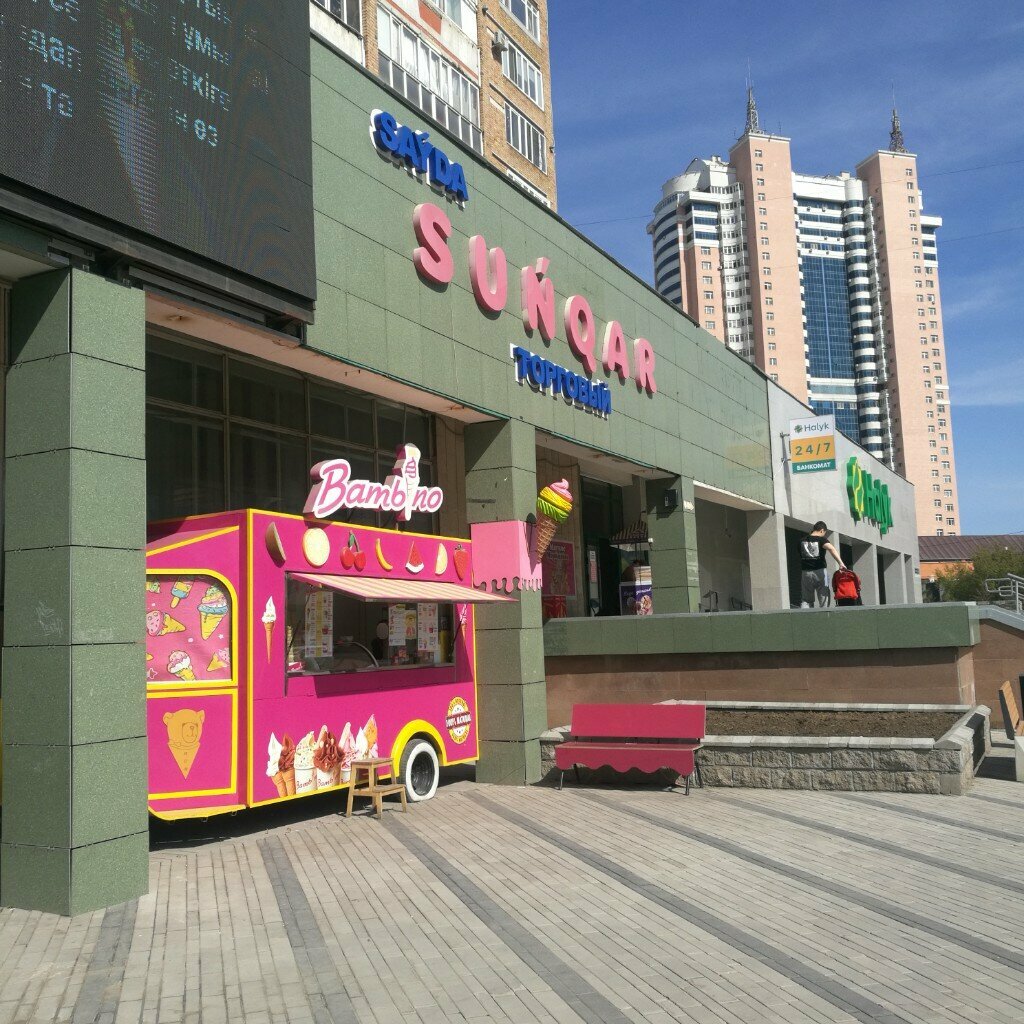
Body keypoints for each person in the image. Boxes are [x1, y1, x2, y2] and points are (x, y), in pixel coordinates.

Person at [799, 522, 845, 608]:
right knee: (824, 598)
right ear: (822, 530)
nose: (824, 535)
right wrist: (840, 563)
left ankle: (805, 615)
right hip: (820, 571)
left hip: (806, 572)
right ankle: (824, 615)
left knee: (806, 600)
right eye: (824, 533)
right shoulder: (821, 540)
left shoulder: (801, 541)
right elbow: (831, 548)